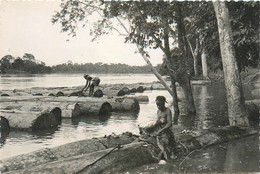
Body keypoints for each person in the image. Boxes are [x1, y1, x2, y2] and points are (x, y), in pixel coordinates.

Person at [140, 96, 176, 162]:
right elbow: (158, 122)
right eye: (157, 105)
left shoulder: (168, 111)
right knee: (145, 132)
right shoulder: (158, 111)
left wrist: (160, 130)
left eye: (160, 105)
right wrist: (151, 126)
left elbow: (169, 123)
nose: (158, 106)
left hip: (165, 130)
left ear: (164, 103)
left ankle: (168, 156)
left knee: (164, 143)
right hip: (158, 129)